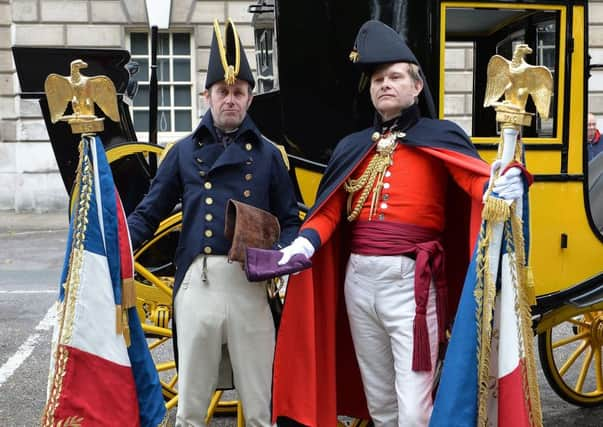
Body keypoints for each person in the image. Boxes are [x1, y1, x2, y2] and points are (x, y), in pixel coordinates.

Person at [269, 20, 527, 427]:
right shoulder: (353, 146)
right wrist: (305, 244)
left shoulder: (440, 135)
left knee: (413, 408)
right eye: (376, 79)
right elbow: (332, 210)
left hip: (413, 283)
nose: (384, 85)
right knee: (382, 405)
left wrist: (504, 182)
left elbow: (476, 181)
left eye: (394, 77)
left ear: (417, 86)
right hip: (358, 281)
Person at [127, 19, 300, 427]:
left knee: (259, 404)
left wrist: (282, 258)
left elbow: (291, 219)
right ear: (207, 95)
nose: (230, 100)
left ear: (250, 99)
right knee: (190, 406)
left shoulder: (271, 156)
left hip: (251, 286)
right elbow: (149, 212)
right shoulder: (183, 153)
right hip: (197, 283)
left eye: (238, 92)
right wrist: (117, 247)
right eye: (222, 92)